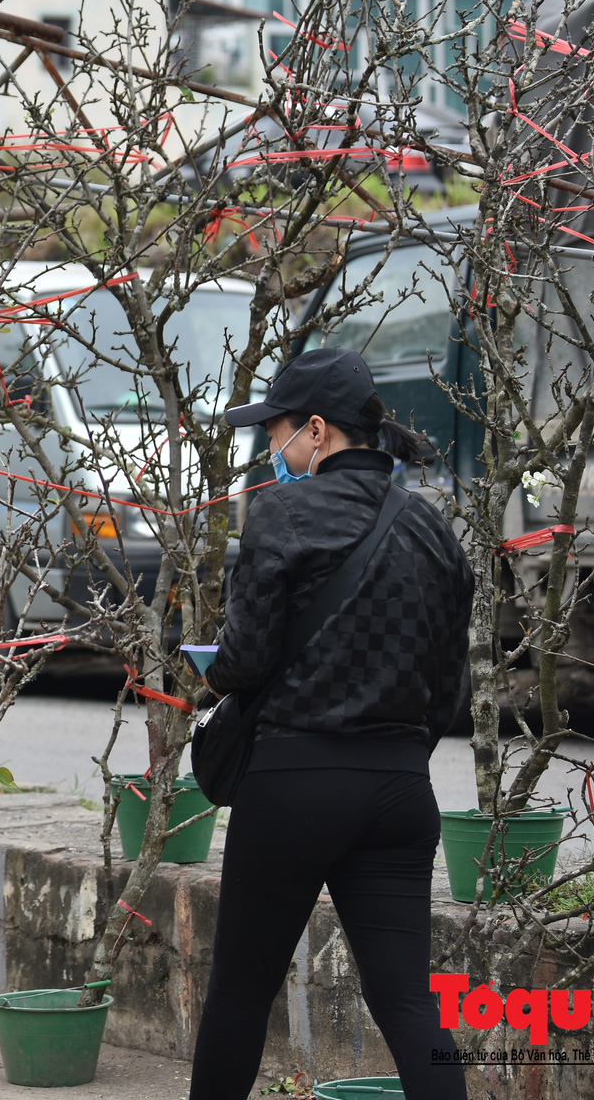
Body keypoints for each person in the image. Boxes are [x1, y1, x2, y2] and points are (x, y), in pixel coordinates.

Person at [188, 347, 473, 1099]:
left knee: (241, 995)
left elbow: (245, 658)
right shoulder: (433, 531)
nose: (272, 449)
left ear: (317, 430)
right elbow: (451, 687)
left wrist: (204, 676)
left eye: (276, 432)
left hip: (294, 784)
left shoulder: (282, 513)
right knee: (410, 1003)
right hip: (400, 791)